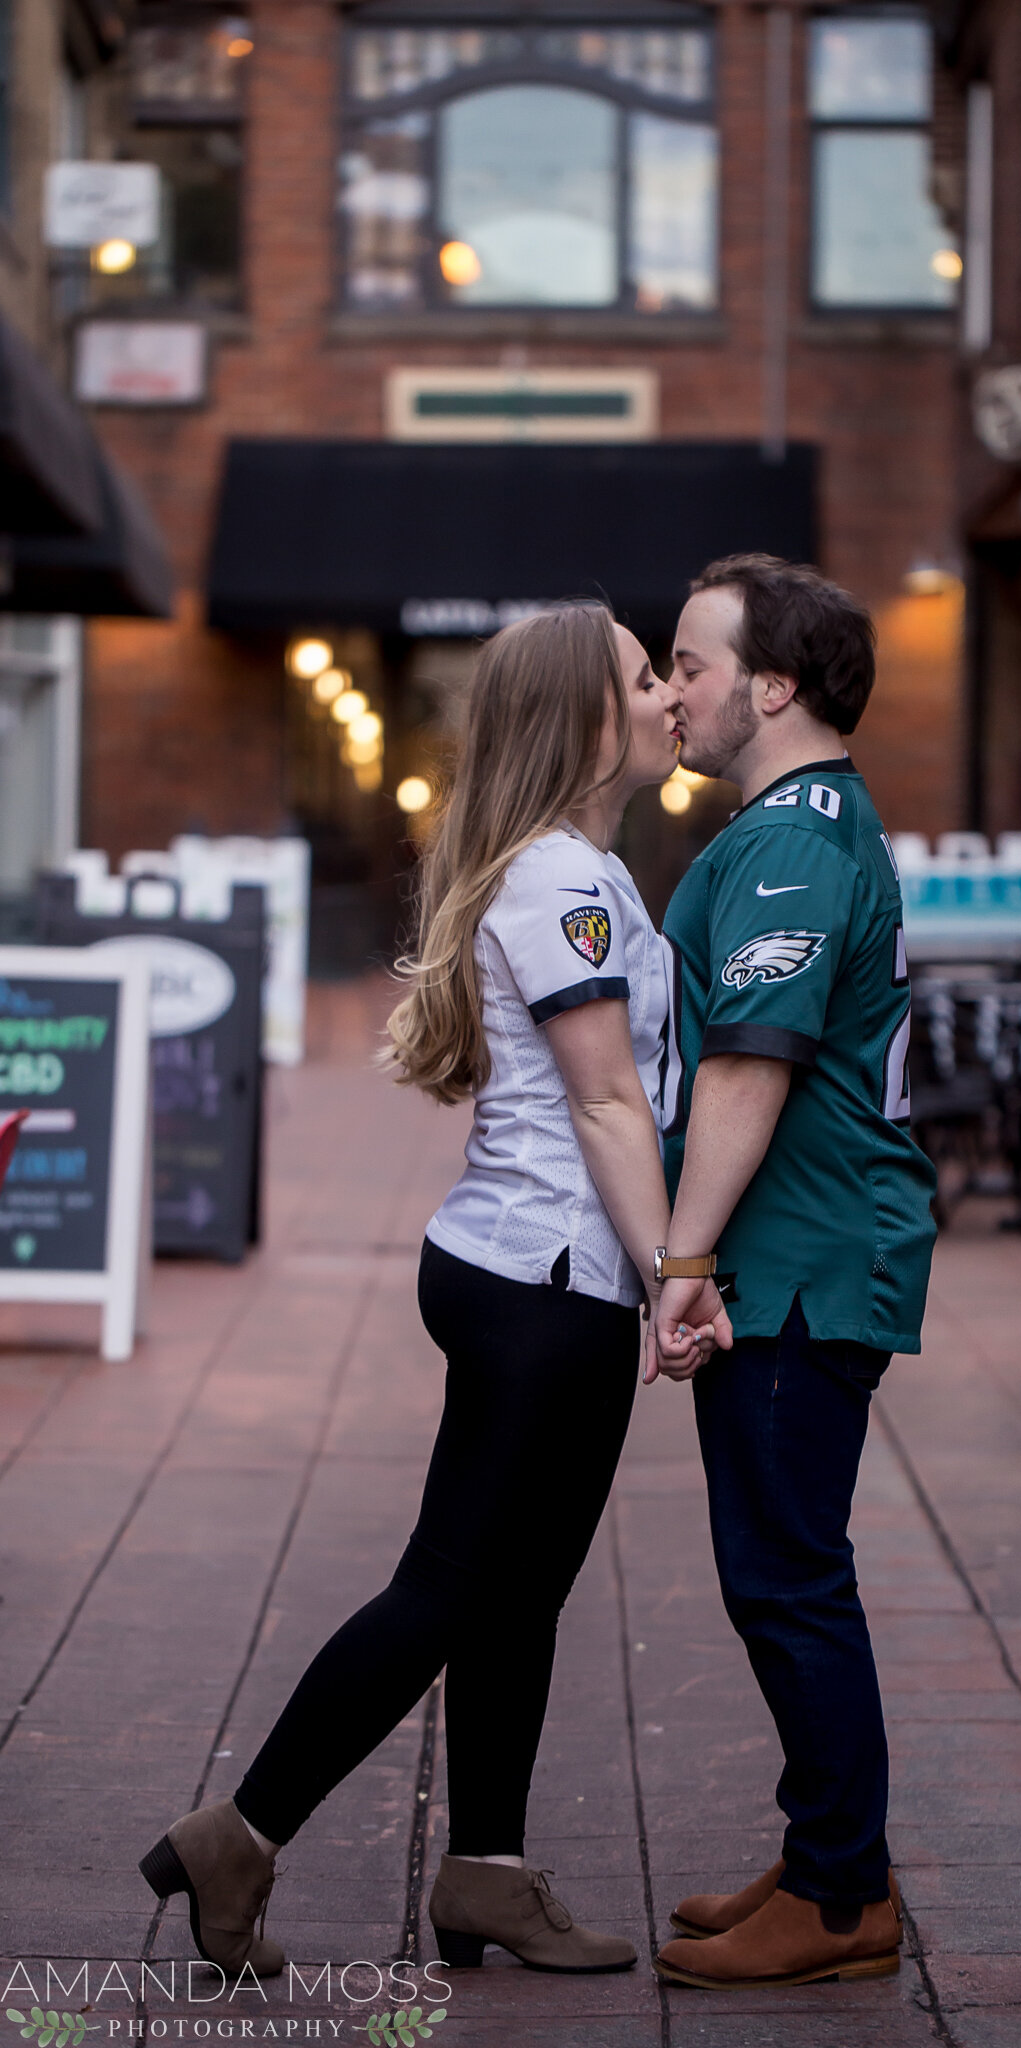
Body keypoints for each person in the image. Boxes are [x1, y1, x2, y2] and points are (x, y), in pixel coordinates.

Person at [139, 603, 728, 1980]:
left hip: (524, 1270)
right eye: (646, 680)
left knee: (513, 1594)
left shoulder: (570, 867)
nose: (666, 699)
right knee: (455, 1587)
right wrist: (674, 1278)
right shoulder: (568, 884)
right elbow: (603, 1104)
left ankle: (487, 1876)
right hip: (546, 1279)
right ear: (589, 721)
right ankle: (240, 1834)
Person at [645, 555, 937, 1991]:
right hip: (803, 1255)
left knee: (786, 1576)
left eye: (689, 663)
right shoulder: (796, 827)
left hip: (800, 1264)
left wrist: (682, 1257)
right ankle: (834, 1854)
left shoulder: (789, 839)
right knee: (779, 1568)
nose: (670, 691)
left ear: (771, 685)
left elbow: (753, 1068)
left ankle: (836, 1899)